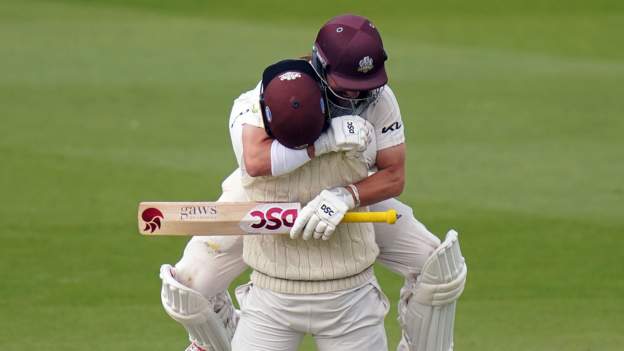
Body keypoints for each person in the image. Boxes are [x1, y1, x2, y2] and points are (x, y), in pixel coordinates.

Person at [159, 14, 466, 351]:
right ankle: (226, 342)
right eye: (346, 87)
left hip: (346, 195)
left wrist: (347, 195)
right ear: (321, 67)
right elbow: (256, 162)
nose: (356, 98)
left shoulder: (380, 100)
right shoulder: (272, 97)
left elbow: (394, 175)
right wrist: (326, 141)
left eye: (365, 88)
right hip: (265, 198)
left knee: (439, 269)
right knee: (187, 289)